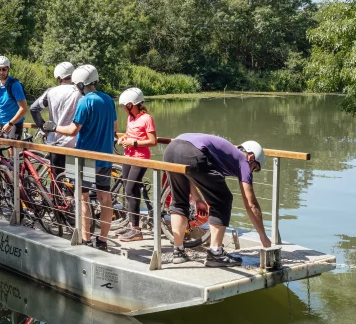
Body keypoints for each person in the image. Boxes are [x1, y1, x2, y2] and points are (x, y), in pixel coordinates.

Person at [163, 134, 272, 267]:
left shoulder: (225, 155)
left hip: (172, 149)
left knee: (180, 201)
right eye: (255, 168)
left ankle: (178, 251)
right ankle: (216, 253)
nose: (252, 172)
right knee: (223, 200)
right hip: (192, 151)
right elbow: (251, 204)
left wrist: (197, 198)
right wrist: (263, 236)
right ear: (251, 157)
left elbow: (190, 171)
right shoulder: (243, 161)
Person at [45, 64, 117, 251]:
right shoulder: (108, 100)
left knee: (82, 197)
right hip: (106, 157)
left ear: (80, 84)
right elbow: (115, 128)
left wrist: (53, 127)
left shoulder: (85, 102)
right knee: (105, 198)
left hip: (84, 158)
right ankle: (102, 241)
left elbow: (72, 130)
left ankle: (86, 239)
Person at [115, 87, 157, 242]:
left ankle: (136, 230)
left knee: (131, 189)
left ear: (131, 104)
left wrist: (134, 142)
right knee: (128, 191)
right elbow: (129, 134)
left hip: (140, 157)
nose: (123, 109)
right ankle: (131, 224)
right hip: (128, 156)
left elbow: (153, 141)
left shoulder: (147, 118)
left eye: (124, 106)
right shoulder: (130, 119)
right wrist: (123, 138)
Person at [30, 61, 81, 177]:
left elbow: (34, 109)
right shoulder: (79, 92)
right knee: (75, 179)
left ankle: (57, 194)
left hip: (56, 141)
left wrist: (44, 127)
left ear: (58, 77)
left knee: (57, 179)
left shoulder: (51, 92)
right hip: (76, 142)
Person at [0, 56, 28, 140]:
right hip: (1, 121)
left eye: (4, 69)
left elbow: (24, 108)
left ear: (8, 69)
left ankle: (14, 153)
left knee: (11, 148)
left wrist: (10, 123)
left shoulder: (15, 85)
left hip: (15, 122)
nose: (1, 72)